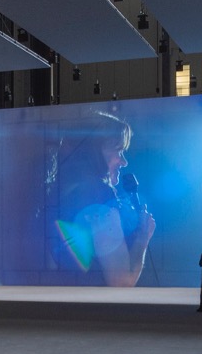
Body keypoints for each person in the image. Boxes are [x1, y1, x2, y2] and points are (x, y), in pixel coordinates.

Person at [45, 111, 155, 286]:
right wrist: (143, 237)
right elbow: (121, 281)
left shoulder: (56, 192)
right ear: (94, 152)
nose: (124, 162)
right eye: (118, 151)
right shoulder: (100, 195)